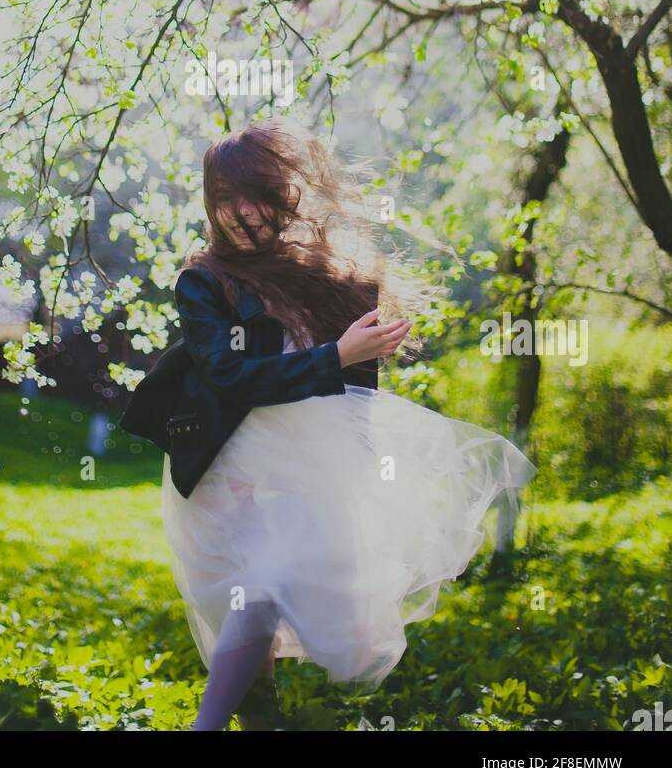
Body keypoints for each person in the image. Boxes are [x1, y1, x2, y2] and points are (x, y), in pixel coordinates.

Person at [160, 118, 536, 731]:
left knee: (268, 587)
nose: (240, 213)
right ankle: (247, 722)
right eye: (225, 199)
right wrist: (336, 355)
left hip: (314, 468)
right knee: (249, 598)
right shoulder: (205, 282)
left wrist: (361, 468)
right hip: (232, 463)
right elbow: (229, 378)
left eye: (254, 196)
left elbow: (359, 389)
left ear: (285, 196)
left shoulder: (330, 277)